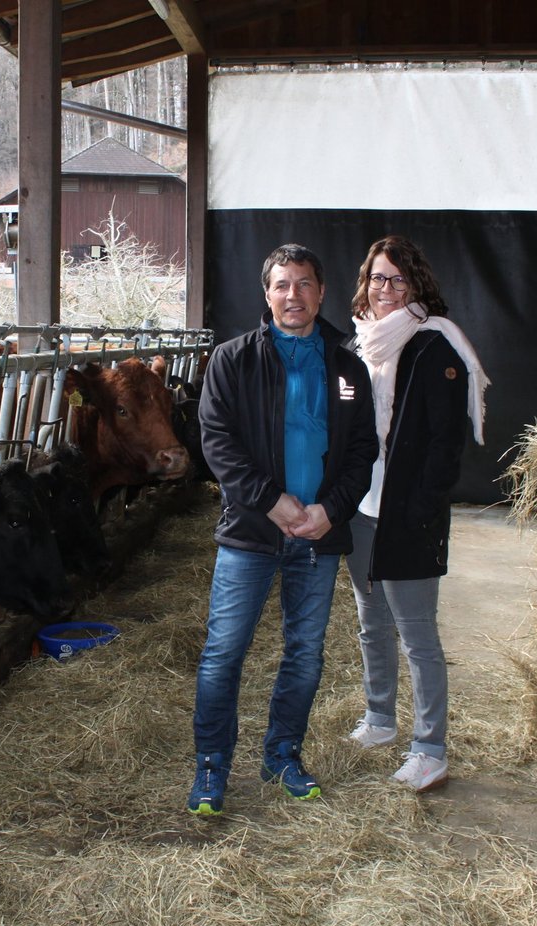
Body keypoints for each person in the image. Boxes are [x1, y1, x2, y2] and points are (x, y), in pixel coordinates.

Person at [188, 243, 377, 816]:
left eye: (303, 285)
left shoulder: (348, 366)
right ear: (266, 295)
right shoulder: (232, 359)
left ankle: (282, 755)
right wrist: (271, 502)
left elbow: (362, 451)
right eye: (281, 285)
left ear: (321, 293)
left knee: (305, 655)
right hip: (251, 534)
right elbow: (217, 441)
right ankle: (211, 767)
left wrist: (330, 511)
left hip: (319, 537)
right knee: (224, 653)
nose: (292, 295)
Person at [343, 235, 489, 793]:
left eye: (398, 280)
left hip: (406, 512)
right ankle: (380, 719)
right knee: (371, 624)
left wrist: (422, 509)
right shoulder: (360, 346)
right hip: (360, 510)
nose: (386, 290)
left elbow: (444, 444)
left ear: (417, 285)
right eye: (378, 278)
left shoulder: (435, 346)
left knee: (417, 635)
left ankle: (430, 748)